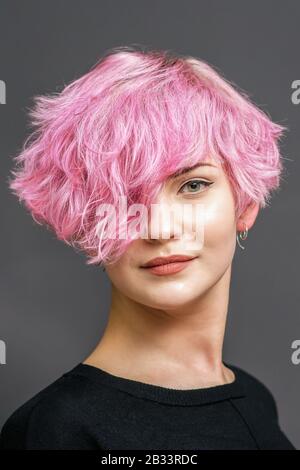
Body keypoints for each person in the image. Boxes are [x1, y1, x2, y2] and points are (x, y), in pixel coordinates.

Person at [0, 45, 296, 450]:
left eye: (193, 185)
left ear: (245, 205)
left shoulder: (255, 399)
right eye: (123, 198)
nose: (157, 227)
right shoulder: (56, 430)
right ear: (86, 221)